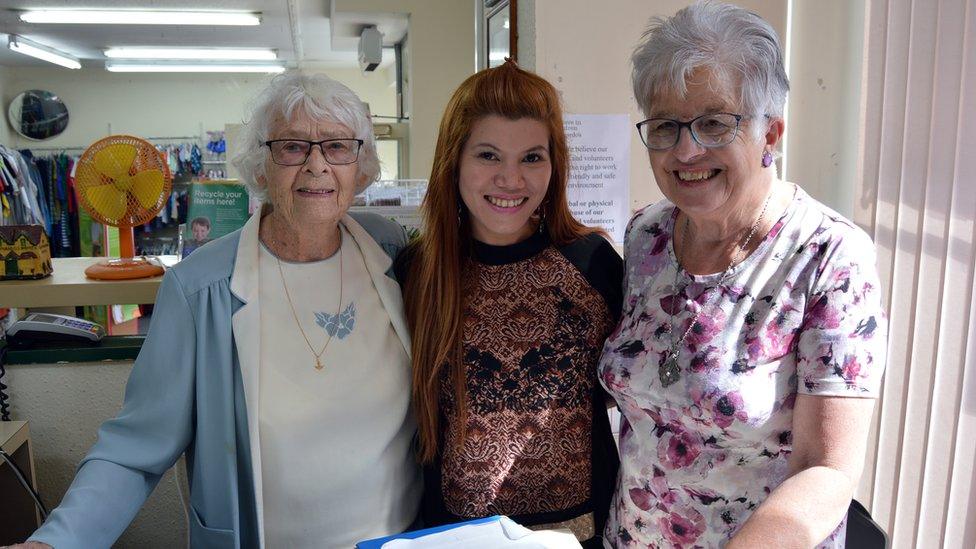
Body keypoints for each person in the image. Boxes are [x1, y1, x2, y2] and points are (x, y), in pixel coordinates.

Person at [13, 71, 421, 549]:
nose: (317, 166)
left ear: (362, 165)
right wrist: (56, 542)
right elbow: (133, 450)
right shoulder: (199, 288)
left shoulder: (392, 254)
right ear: (262, 166)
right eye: (292, 147)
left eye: (337, 146)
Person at [597, 3, 888, 548]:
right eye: (665, 125)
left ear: (770, 134)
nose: (686, 150)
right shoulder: (646, 236)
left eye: (714, 123)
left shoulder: (830, 257)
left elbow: (825, 471)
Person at [396, 60, 622, 548]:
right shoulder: (418, 271)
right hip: (452, 535)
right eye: (489, 156)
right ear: (453, 161)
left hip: (581, 534)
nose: (511, 179)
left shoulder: (591, 263)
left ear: (554, 163)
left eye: (532, 158)